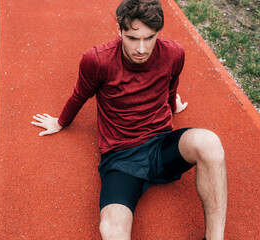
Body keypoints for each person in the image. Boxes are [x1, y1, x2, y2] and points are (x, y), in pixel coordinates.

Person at [31, 0, 228, 239]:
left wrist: (172, 102)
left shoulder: (174, 53)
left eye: (149, 37)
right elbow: (80, 95)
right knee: (111, 229)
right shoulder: (98, 60)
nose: (142, 49)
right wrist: (61, 122)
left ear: (158, 33)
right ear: (119, 31)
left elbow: (170, 83)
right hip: (121, 157)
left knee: (210, 143)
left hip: (161, 144)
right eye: (133, 38)